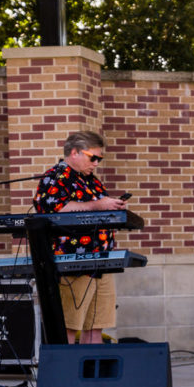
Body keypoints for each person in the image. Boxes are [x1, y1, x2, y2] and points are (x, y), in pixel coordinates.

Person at [33, 131, 127, 345]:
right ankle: (66, 375)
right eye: (92, 157)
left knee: (95, 326)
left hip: (101, 262)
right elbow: (53, 210)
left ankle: (92, 375)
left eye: (99, 159)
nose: (96, 163)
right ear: (74, 152)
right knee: (69, 326)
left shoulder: (91, 181)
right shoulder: (56, 176)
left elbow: (96, 207)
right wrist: (98, 205)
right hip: (73, 263)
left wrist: (113, 206)